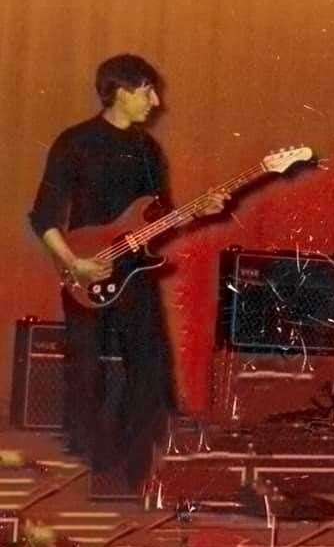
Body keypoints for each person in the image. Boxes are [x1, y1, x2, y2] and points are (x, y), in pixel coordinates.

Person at [28, 54, 228, 493]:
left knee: (151, 369)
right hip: (85, 268)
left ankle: (132, 471)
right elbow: (42, 216)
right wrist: (74, 263)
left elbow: (159, 218)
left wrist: (200, 212)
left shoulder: (147, 150)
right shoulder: (75, 142)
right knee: (86, 369)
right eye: (146, 91)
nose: (155, 101)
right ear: (120, 91)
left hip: (136, 272)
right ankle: (92, 465)